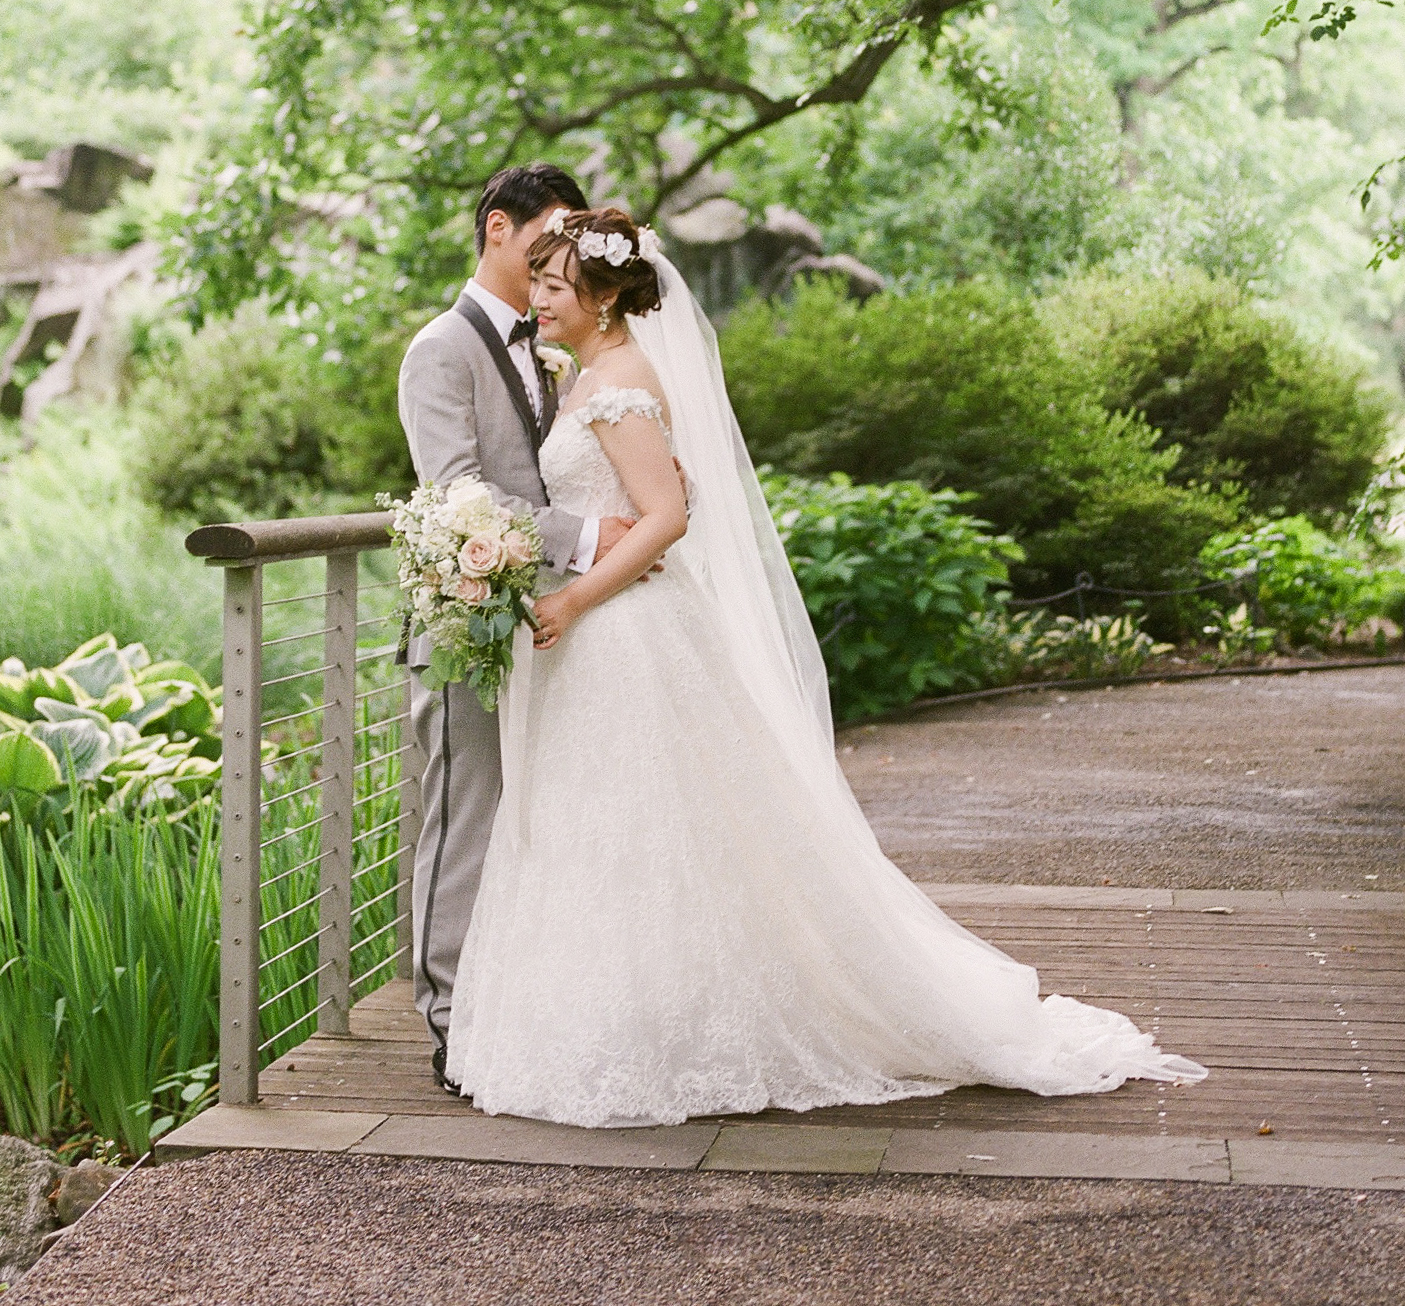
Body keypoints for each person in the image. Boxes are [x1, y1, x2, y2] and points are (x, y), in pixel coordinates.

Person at [443, 206, 1208, 1128]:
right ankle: (617, 1018)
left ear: (605, 299)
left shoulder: (620, 385)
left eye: (558, 287)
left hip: (625, 635)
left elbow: (665, 517)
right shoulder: (589, 372)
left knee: (642, 827)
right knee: (600, 831)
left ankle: (667, 1031)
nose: (540, 300)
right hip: (603, 640)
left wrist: (568, 598)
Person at [397, 164, 646, 1093]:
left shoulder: (556, 346)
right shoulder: (439, 349)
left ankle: (518, 1008)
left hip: (552, 631)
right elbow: (457, 490)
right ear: (497, 229)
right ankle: (449, 1021)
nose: (556, 257)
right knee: (462, 822)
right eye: (545, 235)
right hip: (467, 628)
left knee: (542, 823)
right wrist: (587, 537)